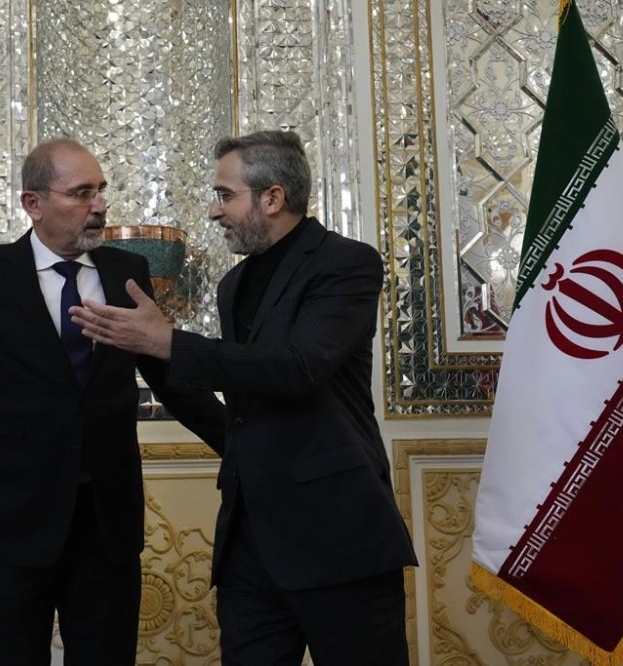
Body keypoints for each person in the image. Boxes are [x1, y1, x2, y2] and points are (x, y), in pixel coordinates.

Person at [71, 130, 417, 665]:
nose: (214, 211)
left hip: (338, 536)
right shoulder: (234, 285)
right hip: (249, 544)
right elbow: (242, 414)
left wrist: (169, 341)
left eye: (225, 195)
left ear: (272, 198)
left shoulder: (347, 263)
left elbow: (299, 368)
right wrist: (148, 353)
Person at [0, 138, 225, 665]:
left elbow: (168, 376)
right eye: (82, 193)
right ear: (32, 204)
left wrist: (242, 443)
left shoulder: (124, 270)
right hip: (13, 521)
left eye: (101, 191)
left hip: (106, 521)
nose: (100, 206)